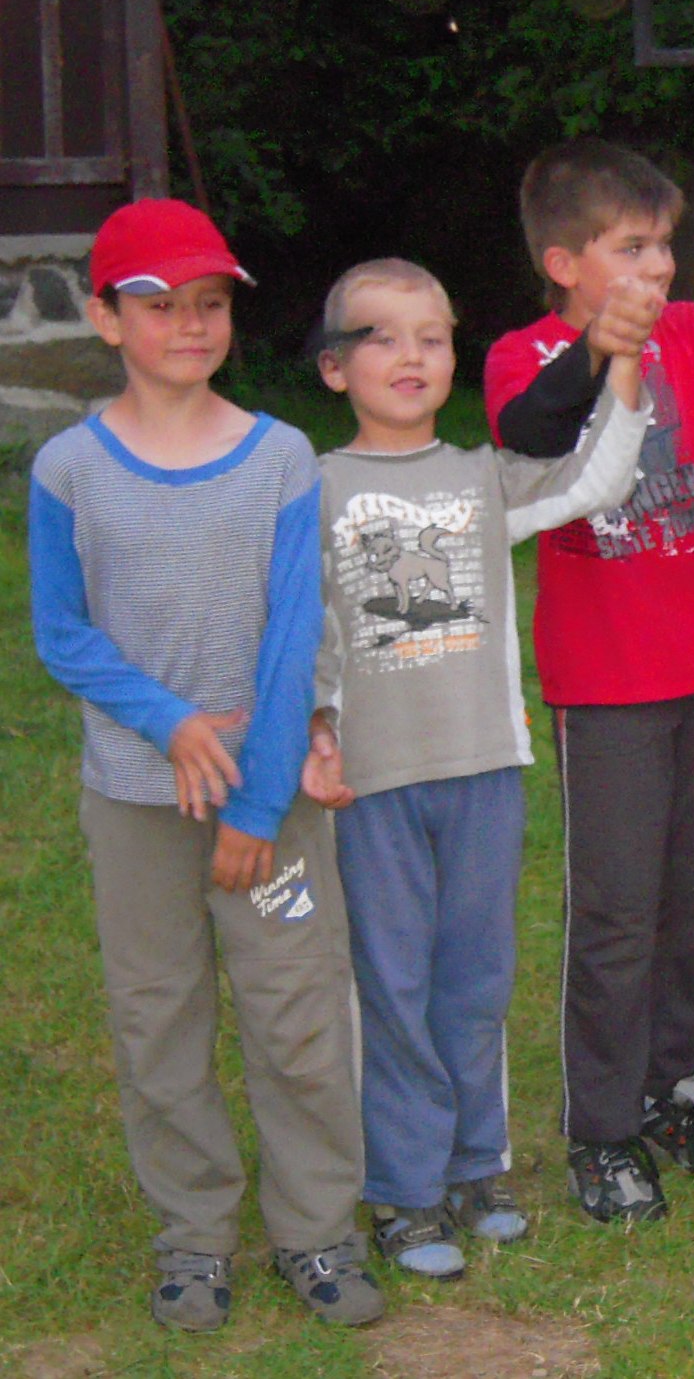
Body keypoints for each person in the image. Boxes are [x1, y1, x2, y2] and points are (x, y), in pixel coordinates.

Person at [28, 199, 383, 1330]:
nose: (190, 325)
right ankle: (193, 1233)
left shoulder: (278, 458)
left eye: (211, 304)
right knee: (158, 1017)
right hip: (136, 798)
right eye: (160, 305)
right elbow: (62, 632)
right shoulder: (69, 468)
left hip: (268, 803)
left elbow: (292, 635)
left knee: (296, 1013)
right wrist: (173, 722)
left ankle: (317, 1230)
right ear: (106, 318)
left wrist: (259, 802)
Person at [299, 259, 651, 1276]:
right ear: (334, 368)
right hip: (370, 783)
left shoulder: (481, 475)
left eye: (432, 337)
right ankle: (404, 1190)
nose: (411, 355)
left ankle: (474, 1165)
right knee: (391, 983)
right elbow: (302, 626)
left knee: (475, 979)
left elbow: (595, 478)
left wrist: (624, 364)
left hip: (484, 768)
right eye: (382, 337)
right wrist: (315, 725)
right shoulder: (312, 487)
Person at [483, 138, 694, 1223]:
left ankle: (675, 1090)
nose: (658, 267)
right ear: (566, 264)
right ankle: (601, 1130)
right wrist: (596, 352)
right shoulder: (523, 355)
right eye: (632, 248)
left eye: (663, 246)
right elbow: (528, 431)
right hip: (607, 682)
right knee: (615, 912)